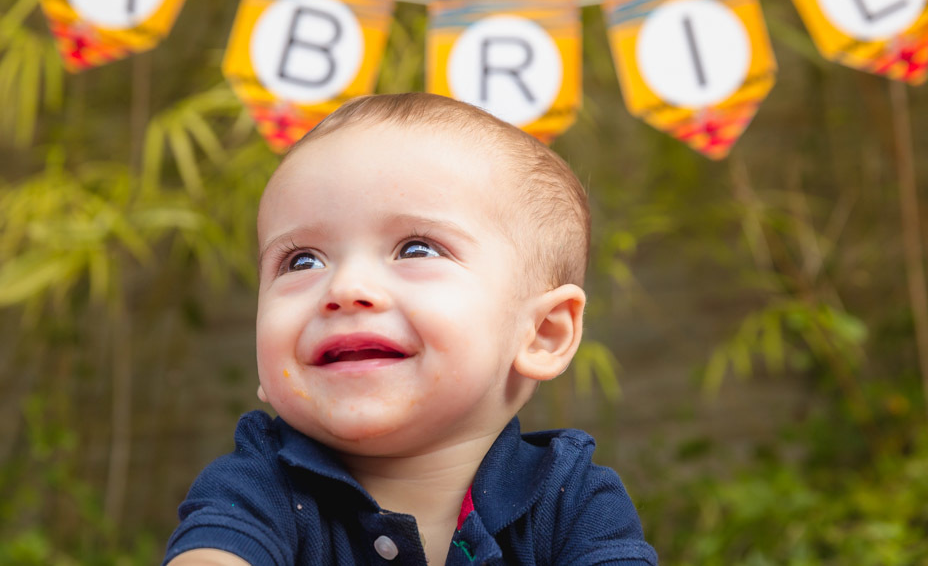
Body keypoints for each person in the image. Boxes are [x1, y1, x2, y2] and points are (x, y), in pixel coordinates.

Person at [164, 93, 658, 566]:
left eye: (416, 249)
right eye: (301, 260)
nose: (345, 286)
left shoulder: (569, 501)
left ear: (541, 334)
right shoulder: (260, 486)